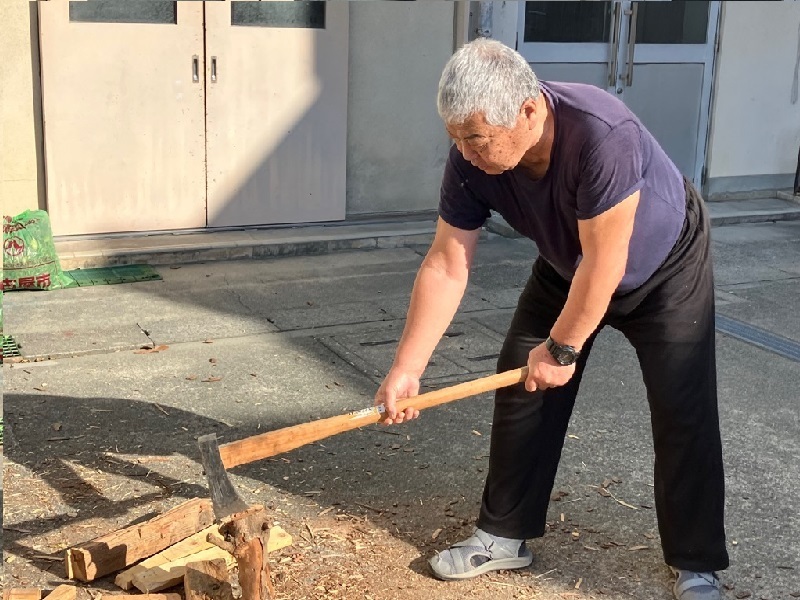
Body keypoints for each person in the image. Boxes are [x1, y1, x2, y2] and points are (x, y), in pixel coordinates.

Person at [373, 38, 728, 600]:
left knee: (682, 407)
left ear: (530, 110)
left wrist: (562, 349)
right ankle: (503, 536)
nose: (465, 152)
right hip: (568, 262)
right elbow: (446, 262)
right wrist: (406, 368)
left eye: (476, 139)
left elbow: (606, 262)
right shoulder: (469, 160)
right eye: (456, 139)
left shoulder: (602, 134)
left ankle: (696, 563)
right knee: (522, 384)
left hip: (665, 266)